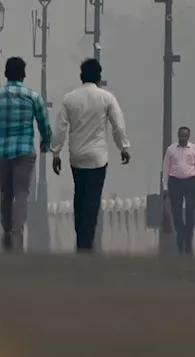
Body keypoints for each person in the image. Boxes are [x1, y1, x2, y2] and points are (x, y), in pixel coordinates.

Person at [52, 58, 130, 252]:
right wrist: (124, 147)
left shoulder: (70, 98)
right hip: (98, 156)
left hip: (76, 156)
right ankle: (88, 239)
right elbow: (117, 125)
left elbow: (60, 128)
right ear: (99, 76)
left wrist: (56, 152)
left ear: (81, 76)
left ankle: (81, 237)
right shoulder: (106, 98)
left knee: (80, 196)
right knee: (93, 200)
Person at [0, 56, 51, 251]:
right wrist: (46, 140)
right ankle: (18, 231)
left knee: (5, 193)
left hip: (2, 153)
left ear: (6, 74)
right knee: (22, 193)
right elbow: (44, 123)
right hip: (25, 152)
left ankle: (7, 228)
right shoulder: (33, 97)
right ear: (23, 75)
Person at [164, 125, 195, 255]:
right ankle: (180, 237)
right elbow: (166, 168)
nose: (184, 138)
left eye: (186, 136)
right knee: (177, 212)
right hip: (175, 182)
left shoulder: (194, 149)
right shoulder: (171, 150)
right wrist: (166, 187)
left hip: (190, 182)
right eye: (182, 135)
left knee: (190, 211)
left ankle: (188, 238)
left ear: (188, 136)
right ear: (178, 135)